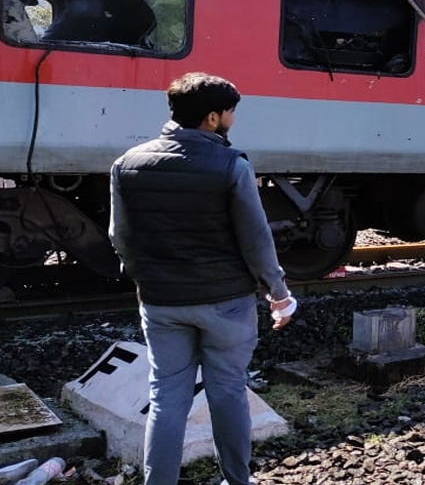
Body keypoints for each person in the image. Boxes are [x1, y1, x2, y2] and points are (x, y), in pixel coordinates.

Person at [109, 72, 295, 485]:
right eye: (231, 112)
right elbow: (256, 240)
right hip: (225, 302)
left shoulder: (128, 164)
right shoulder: (231, 164)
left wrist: (147, 282)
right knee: (227, 391)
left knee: (166, 399)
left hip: (161, 303)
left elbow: (120, 238)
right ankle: (236, 479)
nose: (233, 119)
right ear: (213, 118)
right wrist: (278, 293)